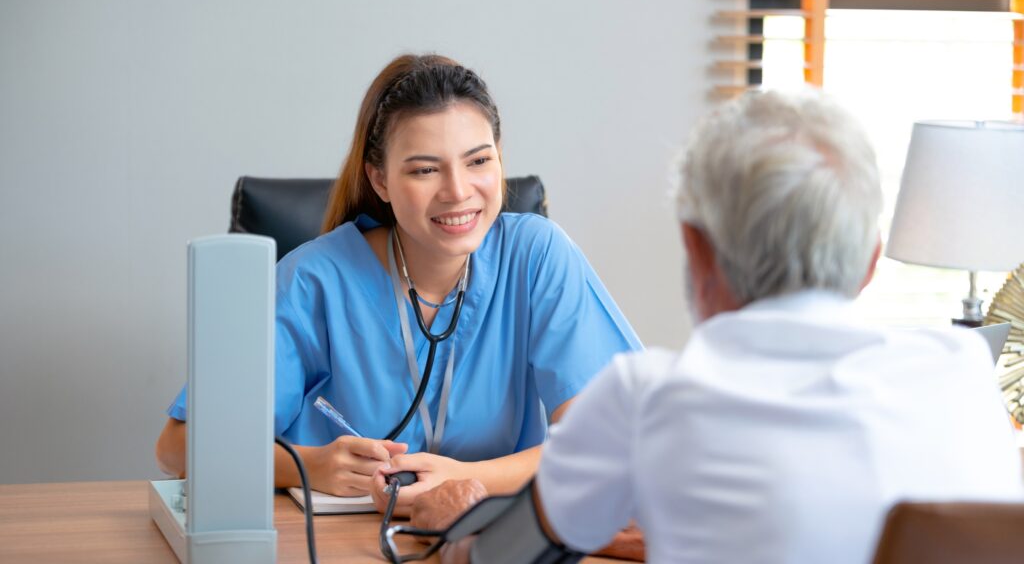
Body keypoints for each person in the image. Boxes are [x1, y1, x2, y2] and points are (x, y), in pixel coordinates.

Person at [409, 89, 1024, 563]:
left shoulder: (643, 399)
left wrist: (456, 524)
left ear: (695, 249)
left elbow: (503, 558)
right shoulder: (963, 374)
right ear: (870, 260)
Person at [154, 54, 641, 512]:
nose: (457, 191)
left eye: (478, 161)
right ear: (380, 180)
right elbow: (177, 446)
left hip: (486, 538)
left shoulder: (537, 255)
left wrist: (465, 481)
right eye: (425, 169)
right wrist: (306, 464)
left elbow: (611, 443)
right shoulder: (314, 280)